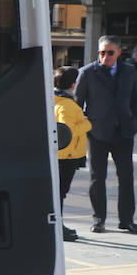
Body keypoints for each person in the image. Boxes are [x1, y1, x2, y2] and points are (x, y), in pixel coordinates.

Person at [75, 35, 137, 234]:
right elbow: (78, 104)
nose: (105, 56)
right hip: (98, 133)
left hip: (124, 132)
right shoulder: (87, 72)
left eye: (110, 52)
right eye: (102, 52)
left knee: (126, 176)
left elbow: (135, 101)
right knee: (98, 177)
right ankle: (99, 219)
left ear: (119, 52)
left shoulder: (129, 71)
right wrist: (86, 126)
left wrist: (135, 124)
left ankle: (126, 220)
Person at [54, 66, 91, 242]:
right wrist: (86, 123)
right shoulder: (67, 105)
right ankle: (57, 226)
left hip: (60, 156)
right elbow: (66, 132)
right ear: (73, 84)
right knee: (60, 193)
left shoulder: (54, 100)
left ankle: (57, 225)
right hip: (66, 157)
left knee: (58, 192)